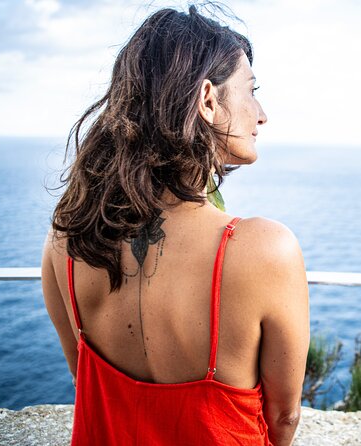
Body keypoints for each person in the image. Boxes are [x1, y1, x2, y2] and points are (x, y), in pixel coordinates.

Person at [41, 5, 310, 445]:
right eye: (251, 91)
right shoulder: (264, 250)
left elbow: (83, 377)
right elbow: (284, 417)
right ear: (208, 100)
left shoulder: (66, 237)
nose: (262, 115)